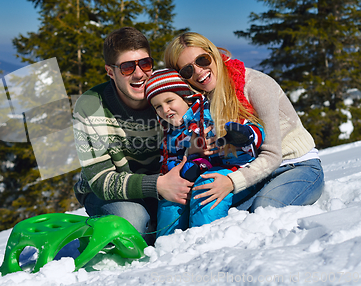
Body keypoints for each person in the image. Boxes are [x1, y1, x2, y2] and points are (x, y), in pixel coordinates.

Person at [163, 32, 325, 212]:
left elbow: (273, 155)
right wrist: (193, 149)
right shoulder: (201, 100)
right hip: (255, 171)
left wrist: (231, 182)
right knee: (213, 209)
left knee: (264, 208)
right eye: (187, 70)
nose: (199, 71)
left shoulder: (255, 85)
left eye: (202, 60)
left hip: (297, 165)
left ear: (213, 54)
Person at [72, 27, 191, 244]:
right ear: (110, 72)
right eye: (127, 68)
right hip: (109, 193)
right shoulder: (90, 106)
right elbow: (100, 181)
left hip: (165, 187)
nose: (139, 74)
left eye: (145, 64)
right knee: (132, 220)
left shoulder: (166, 98)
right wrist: (158, 185)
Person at [144, 69, 265, 237]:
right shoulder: (170, 133)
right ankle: (167, 245)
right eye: (158, 106)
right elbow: (168, 161)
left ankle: (204, 240)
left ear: (186, 97)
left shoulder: (211, 112)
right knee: (171, 201)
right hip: (192, 173)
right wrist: (186, 161)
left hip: (230, 168)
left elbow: (254, 129)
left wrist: (243, 135)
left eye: (170, 100)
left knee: (206, 188)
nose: (165, 109)